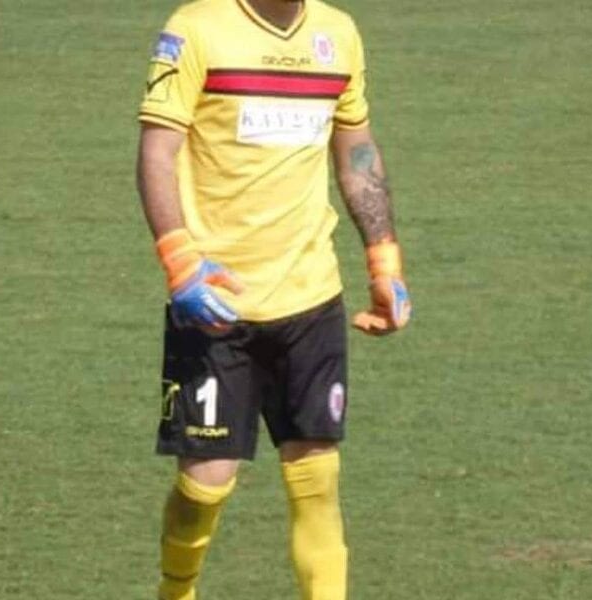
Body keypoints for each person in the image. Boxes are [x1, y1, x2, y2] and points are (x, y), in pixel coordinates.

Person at [135, 0, 412, 598]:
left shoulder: (338, 34)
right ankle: (175, 593)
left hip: (312, 297)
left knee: (318, 480)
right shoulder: (196, 29)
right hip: (215, 303)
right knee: (204, 486)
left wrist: (383, 258)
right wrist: (181, 264)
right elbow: (158, 151)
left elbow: (356, 150)